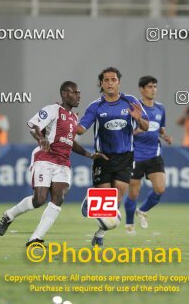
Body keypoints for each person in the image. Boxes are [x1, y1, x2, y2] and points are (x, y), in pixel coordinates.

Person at [0, 81, 107, 247]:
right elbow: (33, 126)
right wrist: (41, 139)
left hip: (63, 163)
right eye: (74, 92)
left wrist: (89, 154)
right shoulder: (52, 110)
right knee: (39, 199)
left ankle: (35, 239)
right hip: (45, 158)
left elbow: (70, 142)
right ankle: (9, 215)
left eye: (79, 92)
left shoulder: (74, 117)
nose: (78, 96)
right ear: (64, 94)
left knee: (58, 198)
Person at [78, 67, 149, 247]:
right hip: (103, 157)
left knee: (113, 204)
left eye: (113, 79)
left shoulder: (131, 101)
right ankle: (93, 199)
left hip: (125, 158)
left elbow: (146, 126)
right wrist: (70, 122)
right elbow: (81, 128)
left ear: (119, 82)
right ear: (101, 84)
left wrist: (139, 119)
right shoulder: (95, 106)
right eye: (106, 80)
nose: (110, 83)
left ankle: (99, 235)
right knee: (104, 203)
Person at [124, 76, 173, 235]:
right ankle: (129, 224)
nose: (153, 89)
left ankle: (142, 210)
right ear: (142, 89)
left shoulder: (160, 108)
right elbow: (123, 131)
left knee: (160, 188)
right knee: (134, 193)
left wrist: (165, 136)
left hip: (154, 154)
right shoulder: (134, 108)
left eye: (155, 86)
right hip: (136, 156)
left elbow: (160, 128)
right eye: (150, 87)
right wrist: (135, 132)